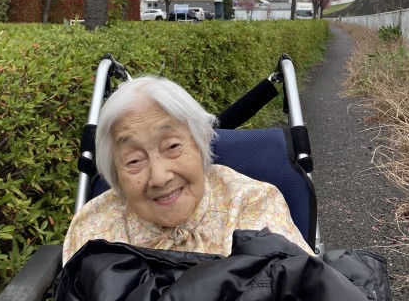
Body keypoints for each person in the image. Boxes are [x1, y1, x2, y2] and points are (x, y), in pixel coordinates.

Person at [63, 75, 314, 264]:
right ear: (115, 174)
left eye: (172, 146)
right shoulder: (94, 231)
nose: (159, 177)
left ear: (200, 143)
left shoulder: (252, 203)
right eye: (134, 160)